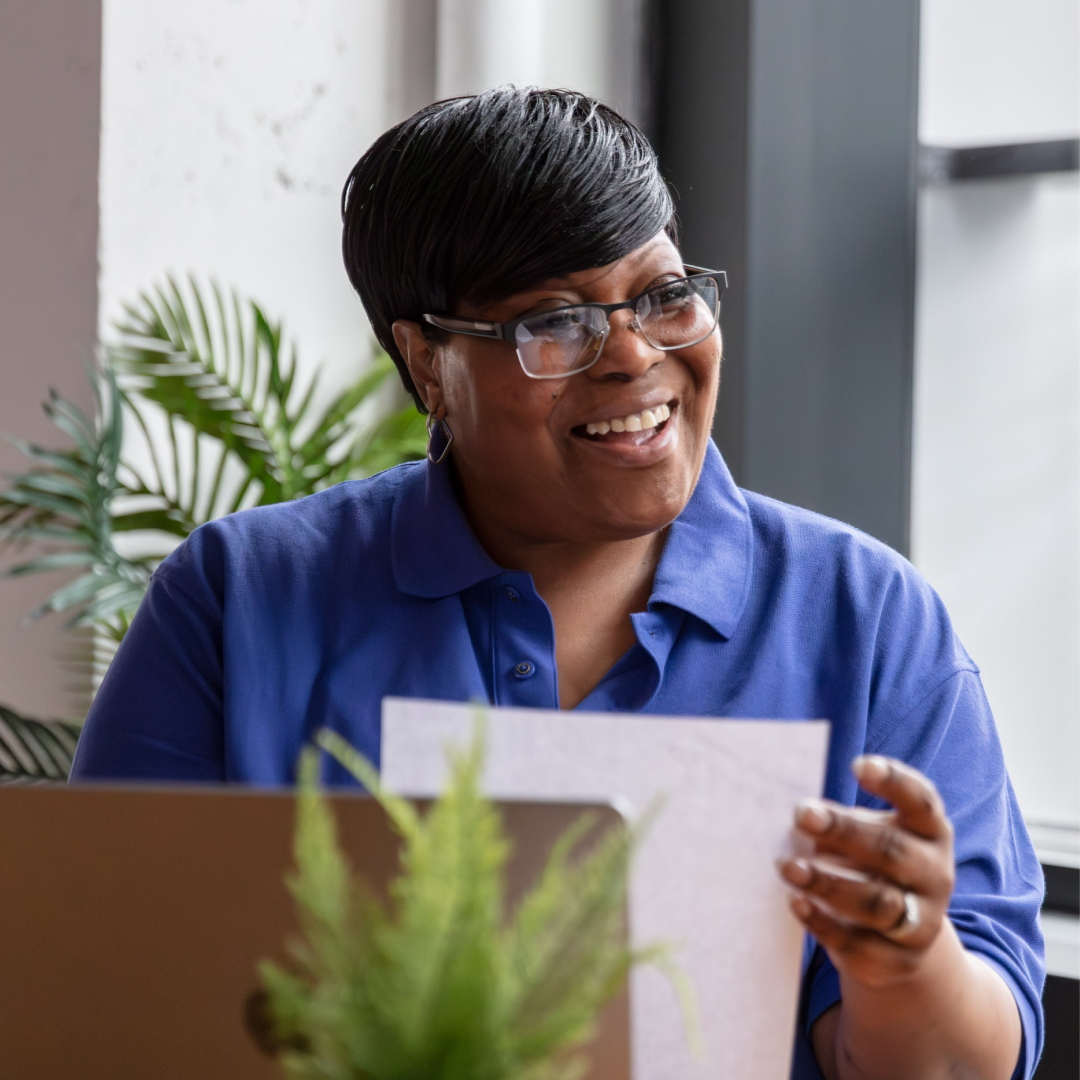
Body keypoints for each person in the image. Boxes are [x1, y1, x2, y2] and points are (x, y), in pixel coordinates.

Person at [70, 87, 1044, 1080]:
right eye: (554, 322)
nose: (633, 356)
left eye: (665, 296)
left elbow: (961, 1066)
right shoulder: (239, 598)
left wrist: (907, 964)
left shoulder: (867, 618)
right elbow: (106, 997)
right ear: (428, 365)